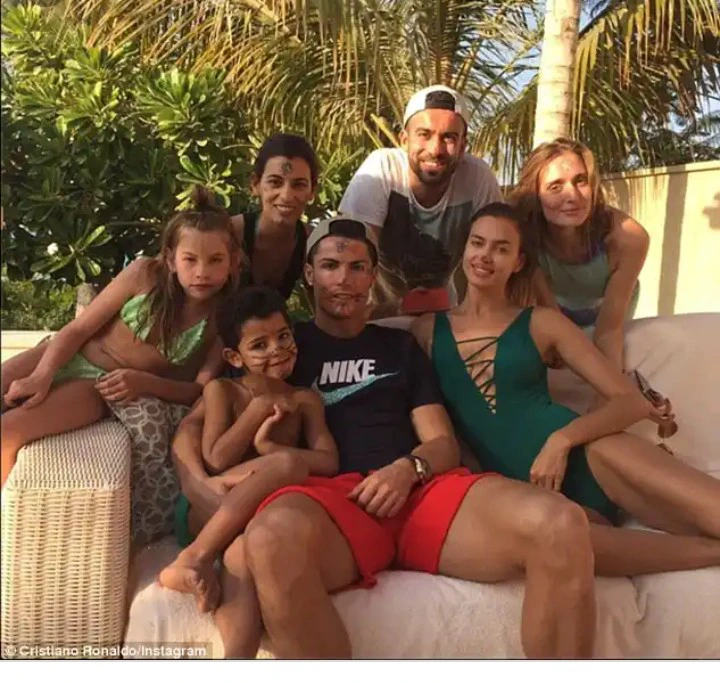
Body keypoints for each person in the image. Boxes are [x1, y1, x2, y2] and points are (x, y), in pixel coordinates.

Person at [174, 215, 599, 659]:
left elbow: (441, 443)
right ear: (309, 274)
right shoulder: (279, 342)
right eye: (331, 266)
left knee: (560, 522)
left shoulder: (399, 347)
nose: (344, 279)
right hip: (326, 502)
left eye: (358, 267)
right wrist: (195, 482)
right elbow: (193, 422)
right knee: (269, 539)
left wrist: (407, 469)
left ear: (372, 277)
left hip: (418, 492)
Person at [412, 202, 720, 576]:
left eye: (501, 248)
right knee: (567, 546)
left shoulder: (542, 323)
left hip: (593, 456)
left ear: (518, 262)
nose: (486, 256)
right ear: (464, 249)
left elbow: (630, 401)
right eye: (478, 243)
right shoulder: (426, 331)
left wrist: (561, 441)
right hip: (528, 493)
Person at [1, 186, 241, 487]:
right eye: (190, 260)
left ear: (233, 262)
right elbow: (78, 329)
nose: (201, 272)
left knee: (7, 433)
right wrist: (41, 374)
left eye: (215, 260)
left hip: (98, 387)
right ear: (171, 260)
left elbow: (197, 390)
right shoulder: (143, 275)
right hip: (67, 354)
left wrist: (145, 383)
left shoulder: (223, 318)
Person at [159, 286, 338, 615]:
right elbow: (216, 460)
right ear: (234, 357)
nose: (277, 350)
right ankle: (195, 556)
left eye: (283, 337)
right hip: (211, 503)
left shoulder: (305, 400)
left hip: (259, 515)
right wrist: (257, 411)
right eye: (259, 345)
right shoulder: (222, 391)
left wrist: (267, 447)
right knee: (287, 464)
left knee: (242, 554)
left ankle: (231, 636)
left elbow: (328, 461)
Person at [339, 85, 502, 316]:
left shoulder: (478, 177)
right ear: (404, 140)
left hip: (442, 316)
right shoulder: (382, 169)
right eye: (424, 134)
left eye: (449, 137)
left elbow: (499, 252)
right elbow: (351, 253)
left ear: (463, 146)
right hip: (374, 314)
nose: (435, 149)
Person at [511, 138, 647, 371]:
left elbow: (608, 332)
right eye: (555, 187)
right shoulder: (523, 234)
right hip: (555, 308)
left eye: (581, 181)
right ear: (534, 195)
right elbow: (552, 317)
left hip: (608, 312)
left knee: (612, 362)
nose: (572, 196)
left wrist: (612, 389)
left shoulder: (628, 238)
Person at [231, 133, 318, 300]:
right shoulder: (229, 235)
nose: (286, 195)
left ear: (312, 191)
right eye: (275, 182)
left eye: (299, 185)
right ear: (255, 184)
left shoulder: (313, 244)